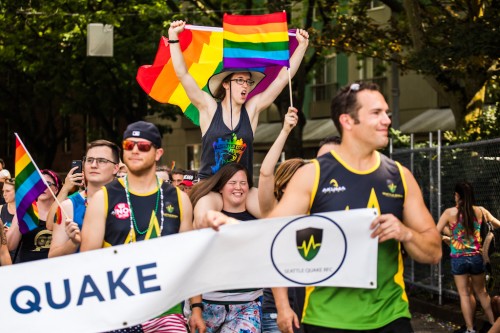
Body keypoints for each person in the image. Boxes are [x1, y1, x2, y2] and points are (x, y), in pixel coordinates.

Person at [266, 82, 441, 332]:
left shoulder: (400, 176)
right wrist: (283, 306)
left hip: (391, 316)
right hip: (326, 319)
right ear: (348, 121)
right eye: (376, 113)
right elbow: (274, 238)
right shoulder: (311, 175)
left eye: (386, 113)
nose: (387, 121)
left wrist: (405, 233)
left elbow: (434, 253)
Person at [168, 20, 309, 224]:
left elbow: (280, 80)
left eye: (248, 81)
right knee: (202, 218)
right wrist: (174, 37)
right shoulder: (209, 108)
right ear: (226, 84)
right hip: (211, 186)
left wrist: (301, 47)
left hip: (242, 188)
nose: (245, 86)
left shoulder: (251, 110)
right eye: (240, 80)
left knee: (277, 219)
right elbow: (183, 74)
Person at [80, 121, 205, 333]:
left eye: (144, 146)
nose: (135, 150)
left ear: (158, 153)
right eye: (129, 145)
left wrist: (196, 309)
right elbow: (87, 262)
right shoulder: (103, 198)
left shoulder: (179, 199)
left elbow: (189, 257)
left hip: (166, 311)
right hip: (118, 313)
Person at [188, 163, 261, 333]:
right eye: (232, 182)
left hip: (247, 305)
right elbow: (194, 262)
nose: (238, 187)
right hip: (208, 303)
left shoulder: (258, 219)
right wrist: (196, 307)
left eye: (243, 183)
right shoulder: (209, 214)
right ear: (220, 188)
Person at [257, 107, 307, 333]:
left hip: (312, 311)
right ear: (285, 184)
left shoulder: (317, 213)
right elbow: (266, 173)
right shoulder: (273, 211)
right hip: (277, 312)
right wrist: (285, 130)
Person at [437, 182, 500, 333]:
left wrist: (449, 237)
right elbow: (497, 224)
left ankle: (471, 329)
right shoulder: (480, 211)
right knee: (482, 293)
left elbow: (435, 231)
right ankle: (494, 325)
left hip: (458, 259)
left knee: (465, 294)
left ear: (457, 195)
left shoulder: (449, 213)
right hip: (476, 258)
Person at [49, 140, 120, 258]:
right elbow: (52, 256)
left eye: (102, 161)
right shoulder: (68, 206)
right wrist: (73, 242)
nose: (93, 165)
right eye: (89, 160)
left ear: (116, 168)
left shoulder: (126, 199)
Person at [7, 169, 62, 263]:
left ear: (56, 189)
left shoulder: (64, 210)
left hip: (56, 270)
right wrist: (21, 214)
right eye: (38, 183)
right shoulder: (26, 209)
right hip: (28, 271)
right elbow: (10, 245)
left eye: (47, 183)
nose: (41, 187)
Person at [0, 177, 16, 260]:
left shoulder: (29, 212)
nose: (4, 194)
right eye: (3, 191)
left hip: (22, 260)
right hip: (4, 258)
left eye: (8, 191)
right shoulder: (0, 209)